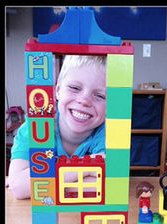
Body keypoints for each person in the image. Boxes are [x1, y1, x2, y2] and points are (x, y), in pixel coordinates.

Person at [8, 55, 107, 200]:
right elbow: (19, 187)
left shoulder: (109, 134)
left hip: (82, 216)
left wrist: (37, 184)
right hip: (40, 216)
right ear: (58, 90)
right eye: (74, 88)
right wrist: (87, 167)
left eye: (100, 95)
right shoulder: (34, 127)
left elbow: (109, 186)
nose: (85, 101)